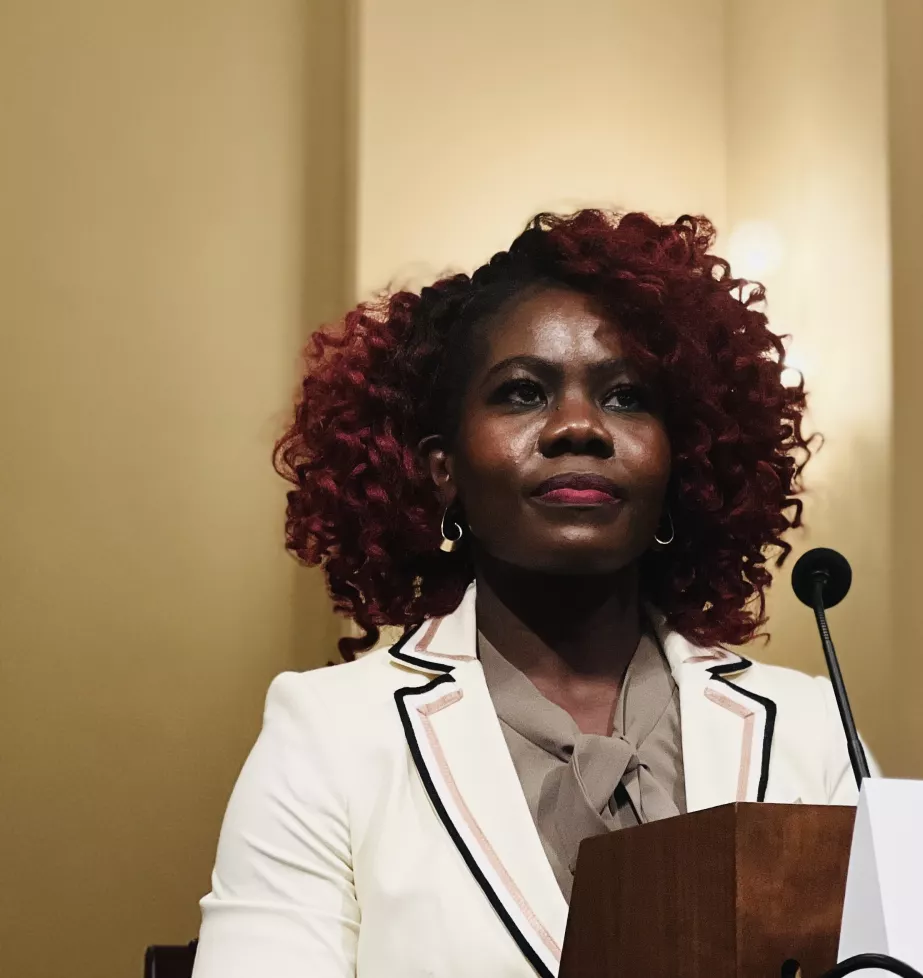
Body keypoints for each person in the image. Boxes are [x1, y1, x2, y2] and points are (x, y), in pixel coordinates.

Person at [194, 211, 863, 978]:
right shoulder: (328, 736)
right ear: (442, 470)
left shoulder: (812, 730)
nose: (578, 427)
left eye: (625, 397)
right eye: (521, 393)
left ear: (681, 465)